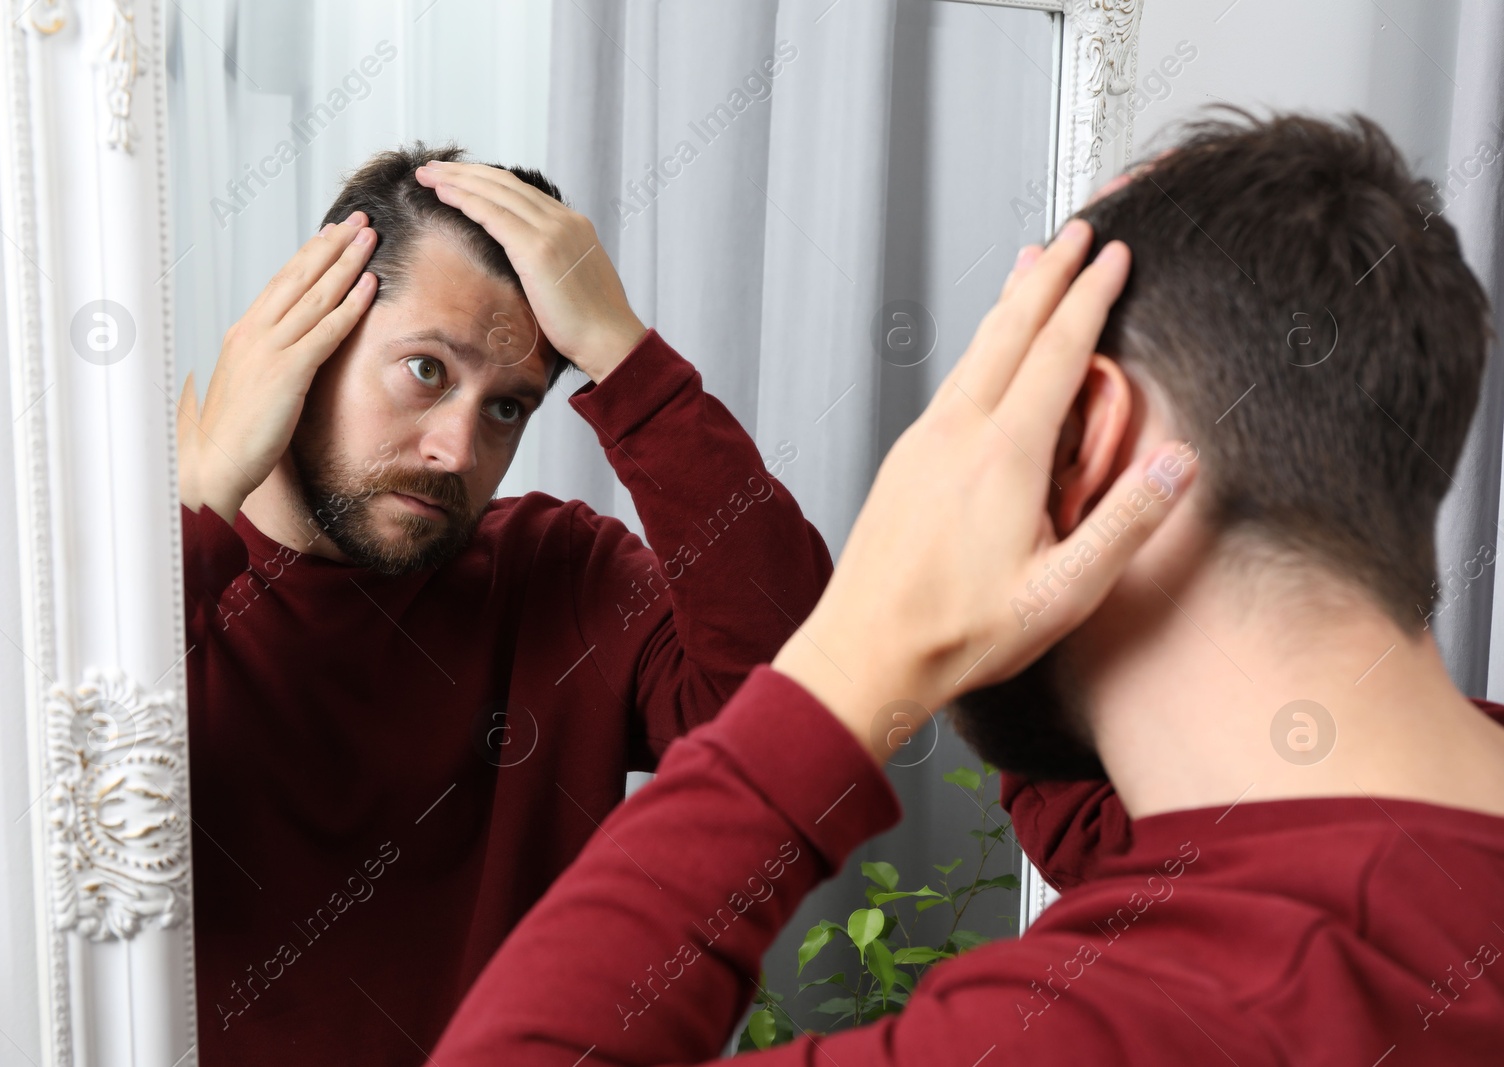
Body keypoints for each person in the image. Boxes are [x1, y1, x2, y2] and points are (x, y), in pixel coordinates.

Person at [430, 111, 1504, 1064]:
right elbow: (1134, 818)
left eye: (1002, 378)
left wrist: (867, 648)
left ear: (1084, 431)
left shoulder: (1094, 1024)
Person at [175, 141, 832, 1065]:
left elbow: (803, 705)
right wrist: (196, 506)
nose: (456, 450)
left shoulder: (560, 574)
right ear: (308, 338)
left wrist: (625, 357)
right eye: (428, 371)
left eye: (507, 408)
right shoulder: (158, 588)